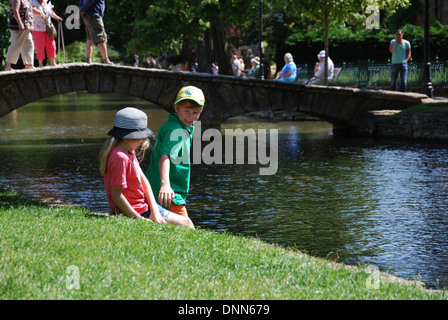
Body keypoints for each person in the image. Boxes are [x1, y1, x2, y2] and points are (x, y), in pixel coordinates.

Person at [99, 107, 194, 229]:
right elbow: (117, 196)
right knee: (187, 224)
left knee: (186, 222)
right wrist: (139, 219)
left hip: (145, 207)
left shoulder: (129, 151)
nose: (144, 139)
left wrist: (154, 209)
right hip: (137, 211)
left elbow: (144, 182)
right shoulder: (120, 157)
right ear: (133, 137)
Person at [145, 86, 205, 218]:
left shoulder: (176, 125)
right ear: (176, 108)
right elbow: (165, 156)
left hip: (157, 190)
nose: (191, 116)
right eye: (186, 111)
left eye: (195, 112)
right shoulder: (177, 131)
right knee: (188, 229)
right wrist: (165, 185)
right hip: (170, 194)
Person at [79, 0, 113, 64]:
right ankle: (106, 60)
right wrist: (82, 10)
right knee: (101, 38)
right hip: (94, 14)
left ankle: (88, 60)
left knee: (90, 38)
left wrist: (81, 10)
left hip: (88, 15)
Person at [30, 0, 62, 67]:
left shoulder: (47, 1)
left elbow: (51, 12)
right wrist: (40, 13)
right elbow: (33, 9)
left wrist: (56, 17)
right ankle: (40, 64)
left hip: (48, 27)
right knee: (39, 46)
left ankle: (53, 62)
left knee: (52, 44)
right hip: (37, 28)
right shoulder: (33, 1)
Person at [4, 0, 35, 71]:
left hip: (26, 26)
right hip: (18, 26)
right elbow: (15, 11)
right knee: (15, 45)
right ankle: (8, 66)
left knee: (29, 44)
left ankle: (29, 64)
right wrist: (20, 24)